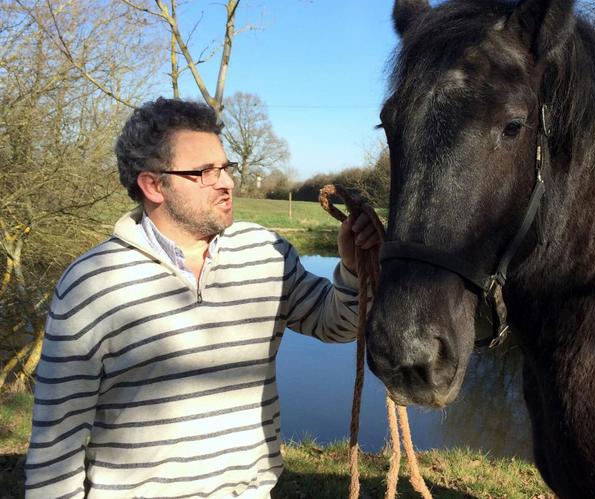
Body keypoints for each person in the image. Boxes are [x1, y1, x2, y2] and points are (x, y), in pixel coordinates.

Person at [24, 97, 381, 498]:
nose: (227, 182)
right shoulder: (92, 283)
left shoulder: (266, 252)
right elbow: (57, 445)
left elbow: (336, 325)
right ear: (153, 185)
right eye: (204, 172)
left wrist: (352, 270)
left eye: (225, 168)